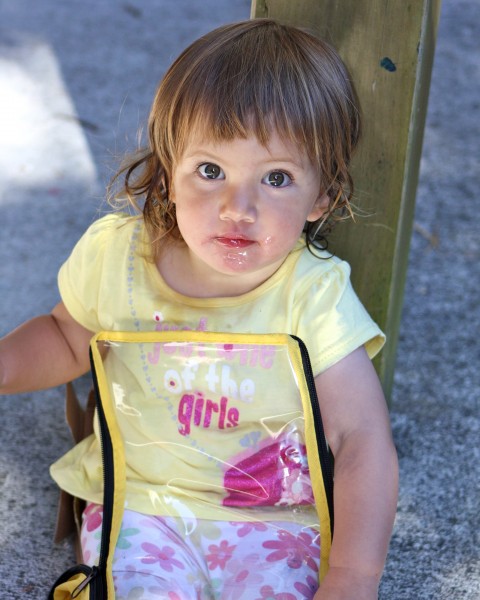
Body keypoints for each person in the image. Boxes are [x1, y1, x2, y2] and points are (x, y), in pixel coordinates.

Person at [0, 18, 398, 600]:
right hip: (143, 504)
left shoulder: (313, 297)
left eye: (277, 178)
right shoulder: (119, 260)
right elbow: (64, 339)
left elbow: (362, 438)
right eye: (211, 171)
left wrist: (353, 577)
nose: (239, 208)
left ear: (323, 197)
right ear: (167, 174)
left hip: (275, 520)